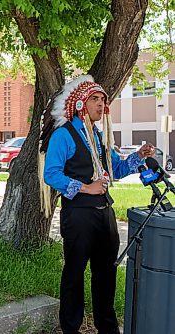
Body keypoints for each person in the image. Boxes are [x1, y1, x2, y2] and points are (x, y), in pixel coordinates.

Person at [39, 75, 155, 334]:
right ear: (80, 103)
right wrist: (85, 187)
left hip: (105, 213)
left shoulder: (100, 136)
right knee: (74, 274)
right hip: (78, 215)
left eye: (103, 100)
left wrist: (138, 156)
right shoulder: (64, 134)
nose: (101, 104)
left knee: (106, 275)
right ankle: (71, 328)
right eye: (95, 99)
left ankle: (108, 328)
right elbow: (51, 174)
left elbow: (117, 168)